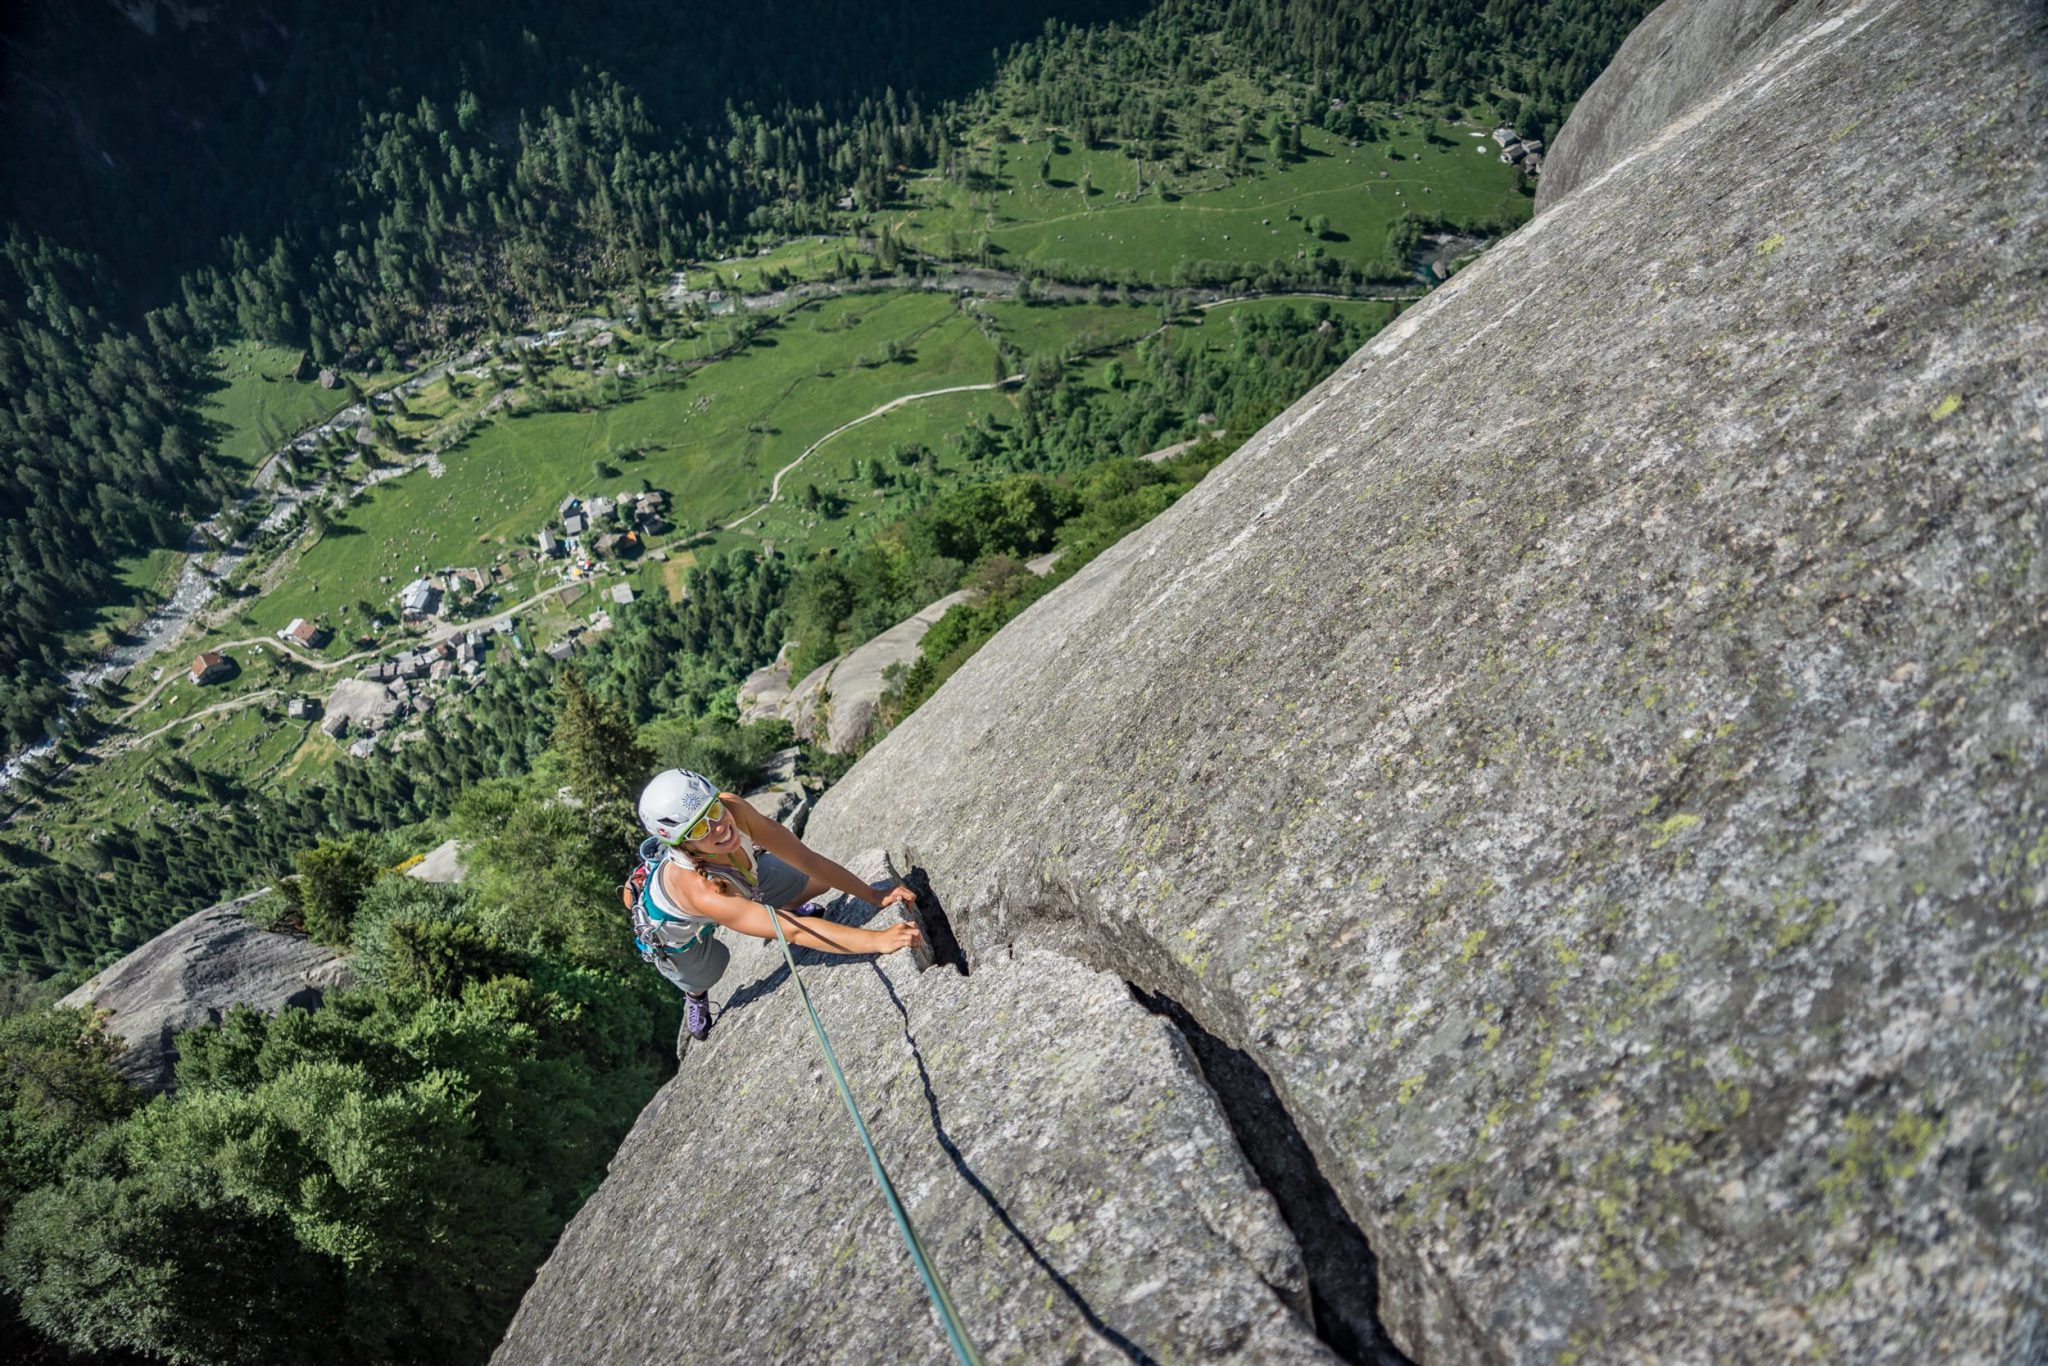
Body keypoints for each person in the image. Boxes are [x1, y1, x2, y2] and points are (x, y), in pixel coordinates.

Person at [632, 768, 921, 1049]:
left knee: (816, 881)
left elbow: (807, 859)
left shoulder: (734, 809)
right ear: (684, 845)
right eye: (699, 827)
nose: (719, 826)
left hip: (736, 879)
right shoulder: (700, 889)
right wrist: (877, 940)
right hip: (675, 930)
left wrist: (873, 894)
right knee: (710, 969)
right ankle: (694, 995)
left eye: (714, 810)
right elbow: (790, 931)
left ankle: (787, 905)